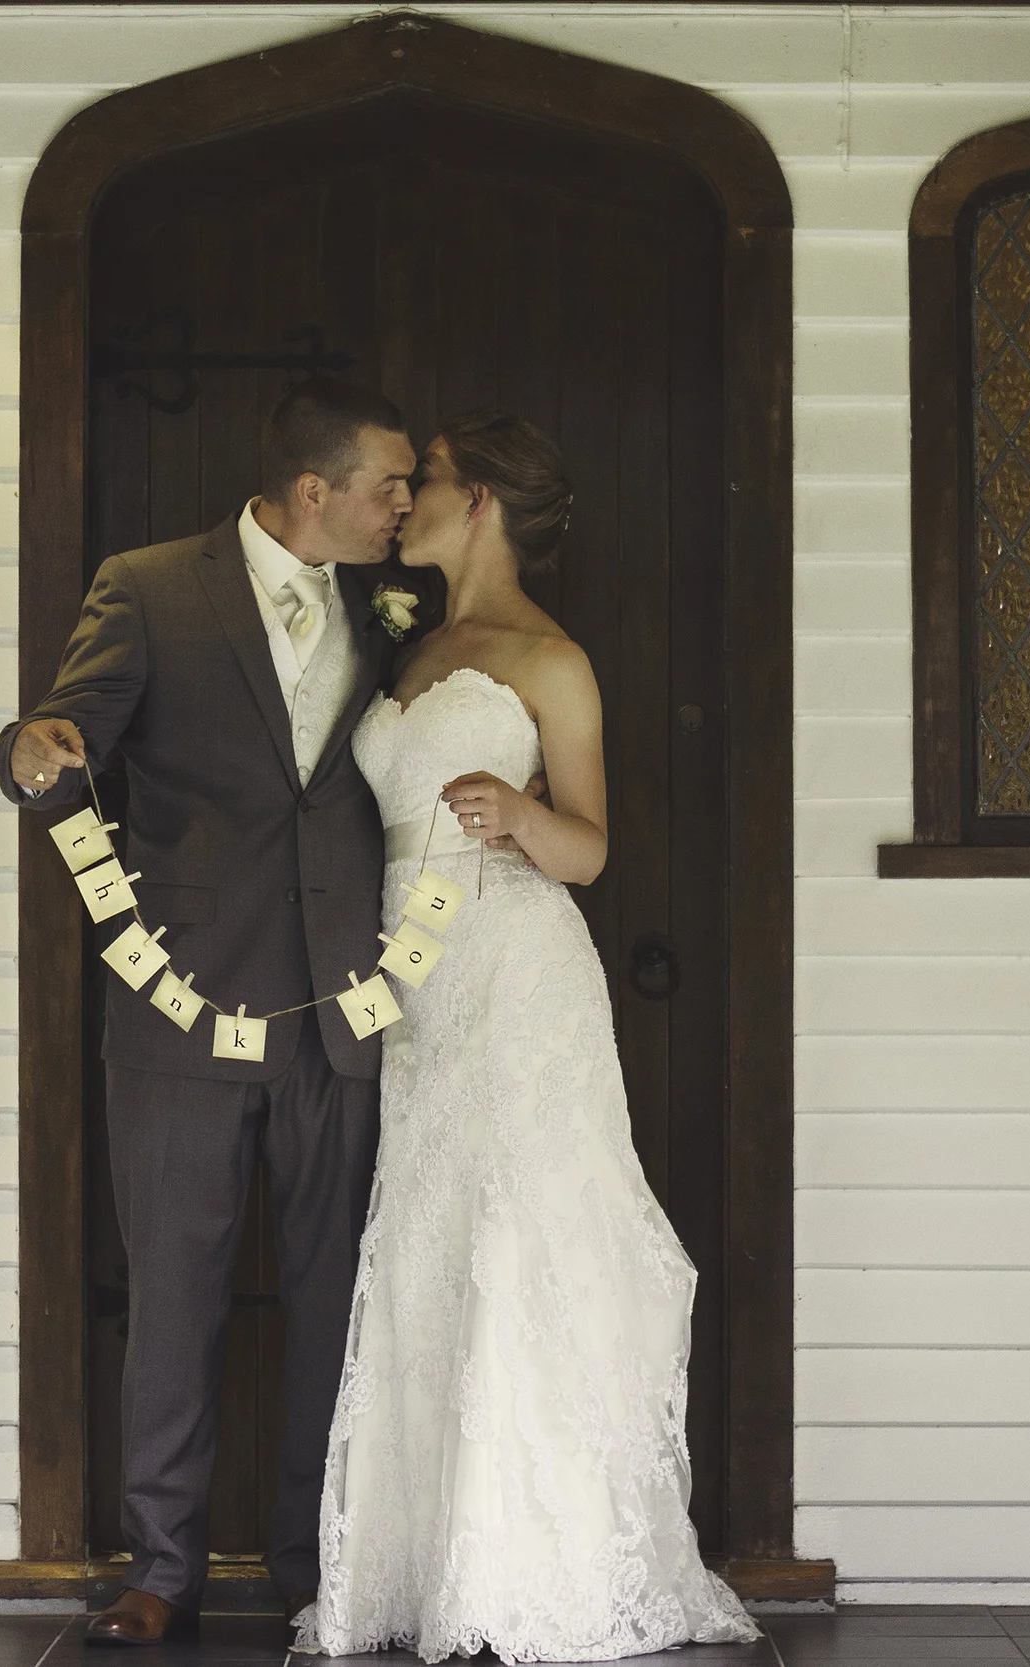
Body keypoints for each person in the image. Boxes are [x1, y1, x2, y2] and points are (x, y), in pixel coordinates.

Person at [298, 413, 758, 1663]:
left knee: (519, 1237)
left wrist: (516, 811)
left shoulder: (549, 659)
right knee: (433, 1238)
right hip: (418, 987)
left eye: (425, 484)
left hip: (512, 970)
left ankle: (529, 1564)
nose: (405, 504)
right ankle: (432, 1554)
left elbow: (593, 849)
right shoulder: (409, 641)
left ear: (480, 498)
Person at [0, 378, 414, 1645]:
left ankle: (308, 1557)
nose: (406, 504)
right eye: (389, 483)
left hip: (346, 1000)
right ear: (314, 492)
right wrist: (33, 750)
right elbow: (69, 729)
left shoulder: (408, 605)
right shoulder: (148, 584)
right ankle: (160, 1565)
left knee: (332, 1291)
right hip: (180, 1002)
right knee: (170, 1289)